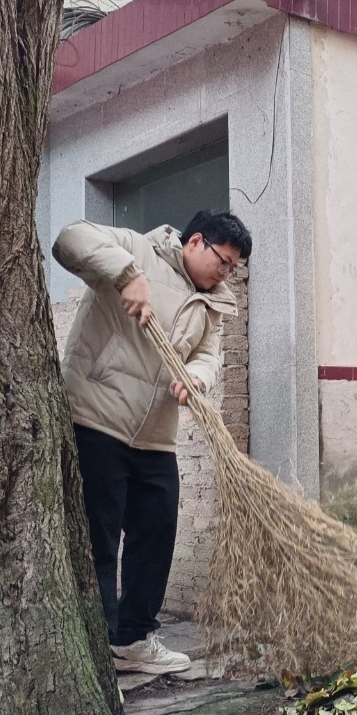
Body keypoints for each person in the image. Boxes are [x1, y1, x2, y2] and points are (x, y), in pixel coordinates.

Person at [52, 210, 252, 673]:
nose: (225, 273)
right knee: (97, 538)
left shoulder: (215, 303)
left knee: (156, 534)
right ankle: (96, 650)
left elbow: (208, 354)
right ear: (196, 240)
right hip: (98, 418)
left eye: (232, 268)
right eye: (223, 261)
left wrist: (196, 379)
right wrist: (126, 275)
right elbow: (68, 239)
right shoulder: (137, 247)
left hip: (155, 437)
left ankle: (133, 639)